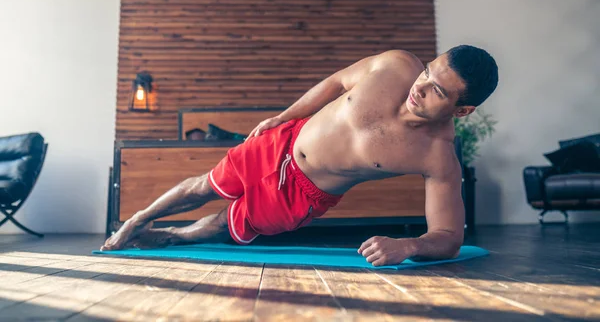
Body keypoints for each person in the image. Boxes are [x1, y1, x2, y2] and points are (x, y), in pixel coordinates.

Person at [101, 45, 498, 267]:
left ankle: (167, 238)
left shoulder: (437, 155)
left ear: (462, 110)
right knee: (206, 185)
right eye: (428, 72)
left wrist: (408, 246)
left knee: (224, 225)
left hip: (302, 194)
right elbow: (336, 82)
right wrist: (283, 116)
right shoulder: (395, 65)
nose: (420, 87)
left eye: (438, 92)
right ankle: (137, 219)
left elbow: (449, 238)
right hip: (283, 141)